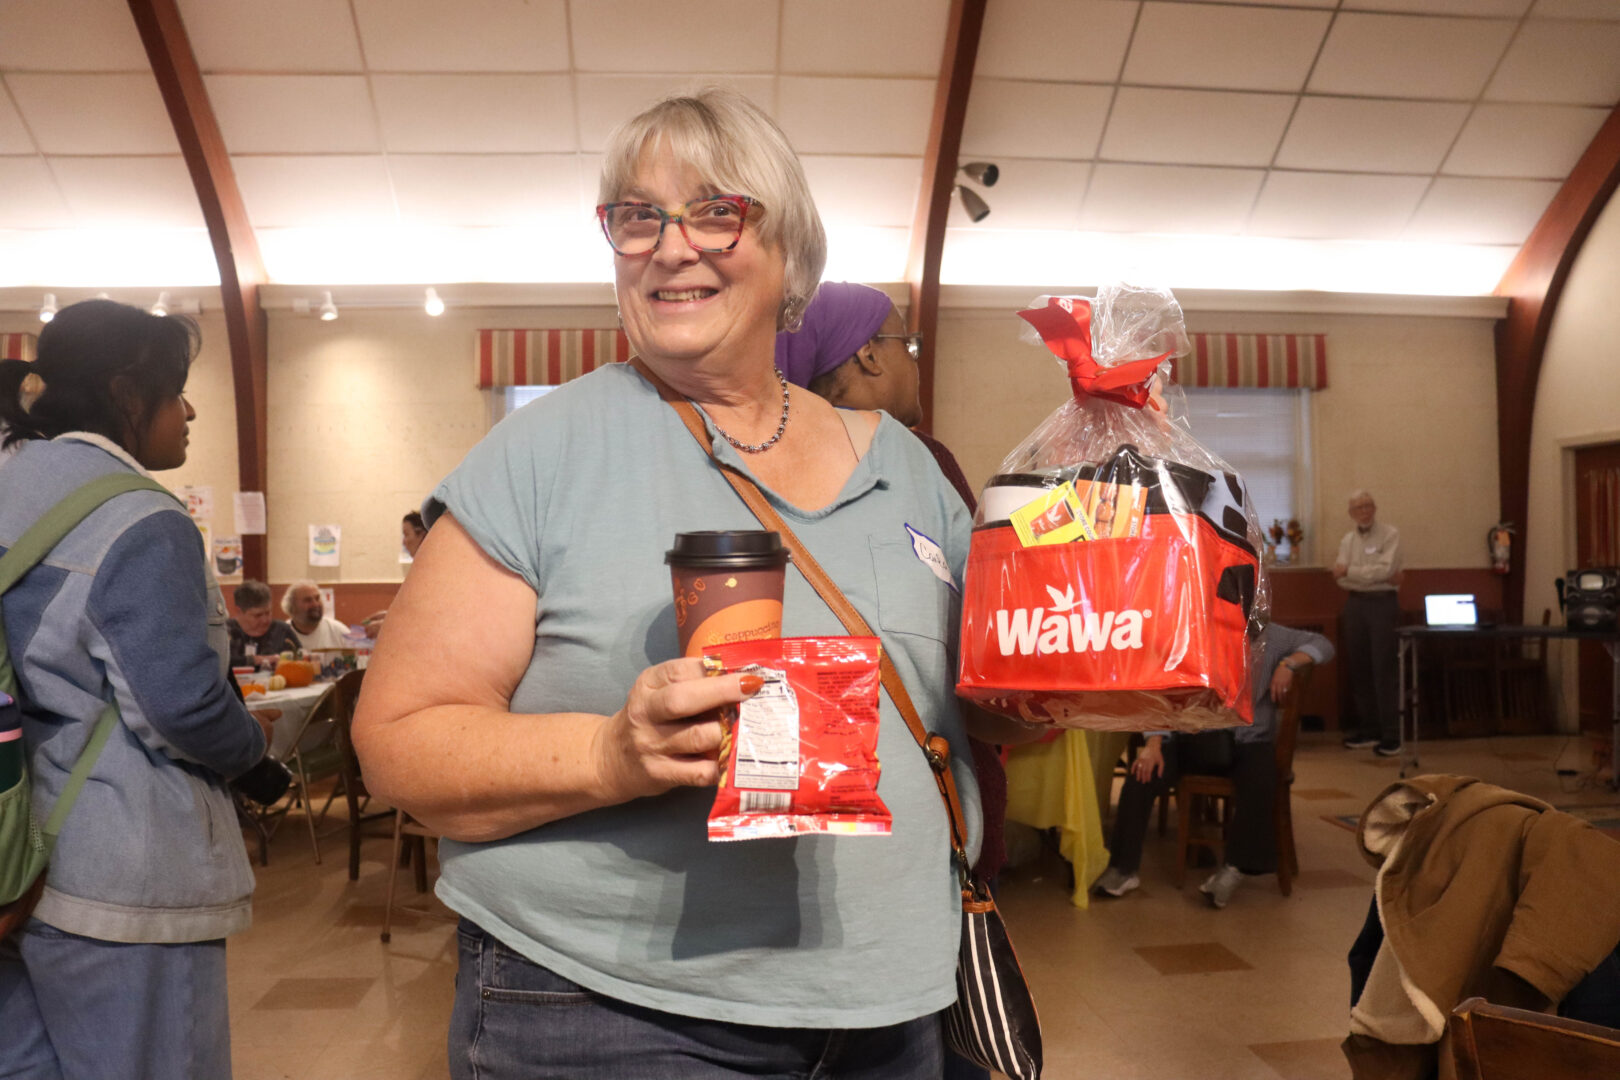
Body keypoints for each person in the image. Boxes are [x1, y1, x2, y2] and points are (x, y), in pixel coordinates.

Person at [353, 88, 1035, 1078]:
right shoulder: (541, 452)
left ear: (790, 252)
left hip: (899, 1001)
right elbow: (400, 743)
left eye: (716, 211)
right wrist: (610, 754)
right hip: (611, 1015)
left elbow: (976, 708)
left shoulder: (911, 468)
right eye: (638, 216)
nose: (672, 247)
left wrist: (1059, 679)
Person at [0, 299, 273, 1079]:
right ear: (127, 393)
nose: (188, 410)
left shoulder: (15, 483)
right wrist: (254, 753)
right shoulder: (141, 519)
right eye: (177, 388)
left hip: (16, 856)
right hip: (120, 875)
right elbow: (180, 704)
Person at [1093, 622, 1333, 907]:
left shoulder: (1268, 636)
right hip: (1194, 737)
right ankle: (1123, 869)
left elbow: (1322, 644)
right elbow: (1162, 693)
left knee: (1260, 778)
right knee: (1141, 776)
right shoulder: (1189, 632)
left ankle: (1233, 869)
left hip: (1247, 739)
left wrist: (1289, 663)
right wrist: (1154, 742)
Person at [1334, 490, 1402, 757]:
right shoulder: (1348, 540)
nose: (1364, 511)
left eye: (1367, 505)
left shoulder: (1390, 534)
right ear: (1351, 513)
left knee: (1383, 669)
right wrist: (1372, 576)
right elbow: (1338, 579)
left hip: (1383, 604)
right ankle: (1369, 729)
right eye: (1358, 507)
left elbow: (1385, 571)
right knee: (1360, 668)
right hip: (1355, 605)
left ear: (1375, 508)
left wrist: (1351, 572)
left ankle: (1391, 735)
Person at [228, 579, 301, 668]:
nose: (265, 620)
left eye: (268, 613)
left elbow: (300, 660)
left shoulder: (282, 631)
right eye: (257, 615)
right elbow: (218, 664)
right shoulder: (224, 631)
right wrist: (255, 660)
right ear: (238, 611)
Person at [281, 579, 351, 651]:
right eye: (308, 600)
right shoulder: (280, 635)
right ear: (292, 607)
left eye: (317, 598)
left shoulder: (339, 631)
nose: (315, 604)